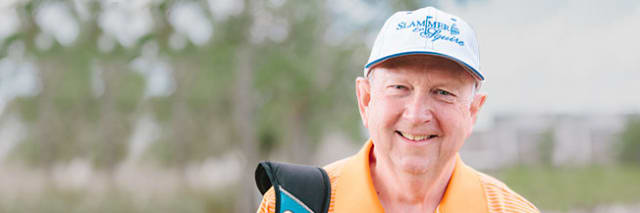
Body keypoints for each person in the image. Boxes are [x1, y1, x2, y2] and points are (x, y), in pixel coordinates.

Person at [257, 6, 539, 213]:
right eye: (399, 88)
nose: (416, 115)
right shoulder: (292, 206)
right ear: (366, 99)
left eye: (443, 92)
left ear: (473, 111)